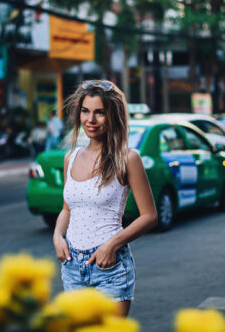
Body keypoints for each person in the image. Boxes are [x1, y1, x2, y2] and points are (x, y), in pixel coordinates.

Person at [52, 79, 158, 317]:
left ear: (113, 116)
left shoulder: (127, 158)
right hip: (72, 268)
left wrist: (112, 244)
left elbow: (150, 216)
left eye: (100, 112)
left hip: (110, 267)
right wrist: (57, 235)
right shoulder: (71, 157)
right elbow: (67, 209)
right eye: (85, 111)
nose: (91, 120)